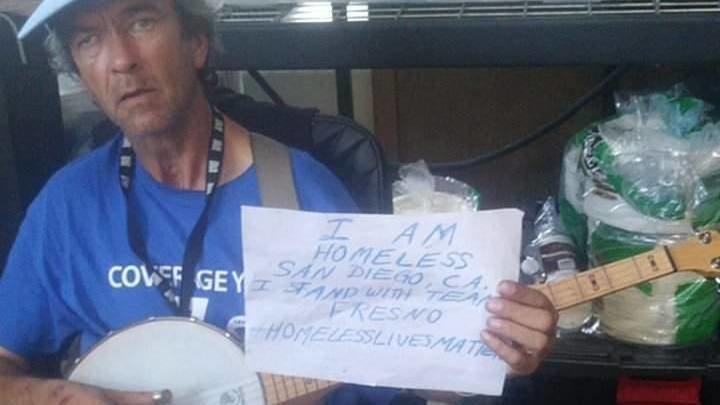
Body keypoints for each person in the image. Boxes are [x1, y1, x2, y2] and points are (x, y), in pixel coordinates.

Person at [0, 0, 559, 404]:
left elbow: (403, 372)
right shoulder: (67, 207)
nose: (120, 59)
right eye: (88, 39)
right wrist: (64, 397)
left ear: (196, 43)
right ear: (80, 72)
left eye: (141, 20)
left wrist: (494, 351)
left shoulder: (302, 196)